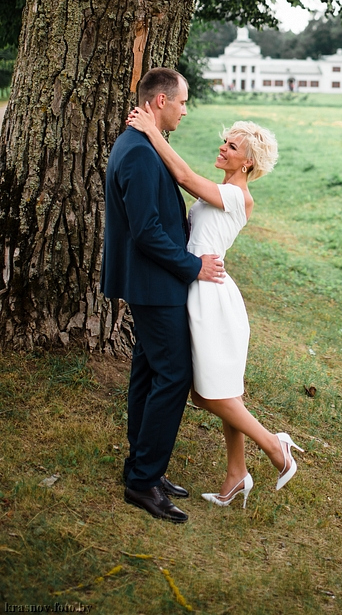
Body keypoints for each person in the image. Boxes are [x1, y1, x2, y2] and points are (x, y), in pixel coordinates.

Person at [126, 104, 303, 507]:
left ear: (249, 162)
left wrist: (153, 131)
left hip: (211, 297)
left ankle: (275, 446)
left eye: (232, 146)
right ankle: (237, 473)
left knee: (207, 394)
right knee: (224, 389)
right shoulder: (226, 190)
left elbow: (185, 177)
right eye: (224, 141)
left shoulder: (239, 196)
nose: (222, 148)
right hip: (200, 286)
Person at [102, 68, 225, 523]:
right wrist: (193, 266)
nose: (185, 109)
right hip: (154, 284)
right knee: (174, 375)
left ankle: (143, 469)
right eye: (182, 101)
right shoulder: (136, 151)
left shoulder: (143, 142)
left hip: (152, 281)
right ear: (159, 102)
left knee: (149, 372)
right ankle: (142, 481)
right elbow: (146, 232)